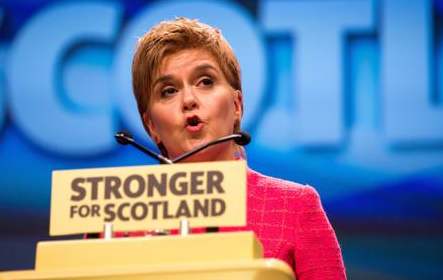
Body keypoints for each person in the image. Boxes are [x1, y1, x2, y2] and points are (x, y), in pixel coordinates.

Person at [131, 17, 346, 279]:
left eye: (205, 82)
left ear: (237, 106)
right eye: (168, 91)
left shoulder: (296, 207)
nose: (188, 100)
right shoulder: (116, 222)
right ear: (151, 125)